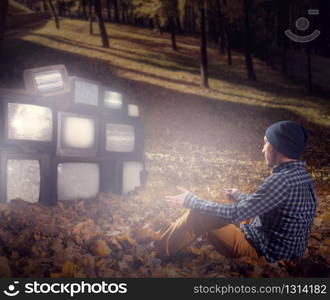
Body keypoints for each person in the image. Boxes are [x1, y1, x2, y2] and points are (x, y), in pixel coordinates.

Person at [155, 121, 317, 263]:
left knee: (200, 213)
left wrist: (190, 200)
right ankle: (162, 246)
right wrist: (239, 196)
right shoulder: (303, 177)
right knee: (218, 211)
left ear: (277, 147)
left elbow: (237, 213)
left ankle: (158, 254)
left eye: (265, 143)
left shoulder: (281, 181)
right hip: (285, 251)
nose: (262, 150)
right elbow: (268, 206)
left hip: (267, 255)